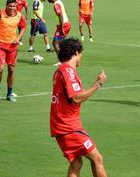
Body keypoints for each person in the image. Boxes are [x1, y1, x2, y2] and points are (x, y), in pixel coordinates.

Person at [50, 38, 107, 177]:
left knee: (76, 163)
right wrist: (98, 84)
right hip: (68, 127)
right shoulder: (67, 72)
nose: (81, 57)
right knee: (97, 158)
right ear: (76, 52)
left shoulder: (61, 70)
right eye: (81, 54)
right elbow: (76, 98)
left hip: (62, 125)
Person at [0, 0, 27, 102]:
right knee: (0, 69)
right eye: (10, 6)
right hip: (0, 45)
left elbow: (23, 27)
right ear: (6, 6)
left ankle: (10, 93)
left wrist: (18, 38)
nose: (12, 8)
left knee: (11, 69)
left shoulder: (19, 16)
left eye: (14, 6)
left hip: (12, 46)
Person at [46, 0, 72, 66]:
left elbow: (60, 15)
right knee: (61, 44)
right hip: (66, 24)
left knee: (55, 43)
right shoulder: (59, 1)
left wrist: (62, 28)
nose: (47, 0)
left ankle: (62, 60)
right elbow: (65, 11)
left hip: (63, 26)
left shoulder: (56, 5)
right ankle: (67, 58)